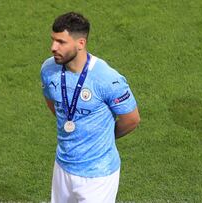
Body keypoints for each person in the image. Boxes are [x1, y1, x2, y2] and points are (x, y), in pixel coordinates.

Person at [40, 12, 140, 203]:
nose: (53, 47)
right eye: (53, 40)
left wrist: (103, 136)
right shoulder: (49, 70)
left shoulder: (107, 79)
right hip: (63, 166)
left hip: (98, 175)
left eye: (61, 42)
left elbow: (132, 119)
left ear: (80, 44)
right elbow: (54, 105)